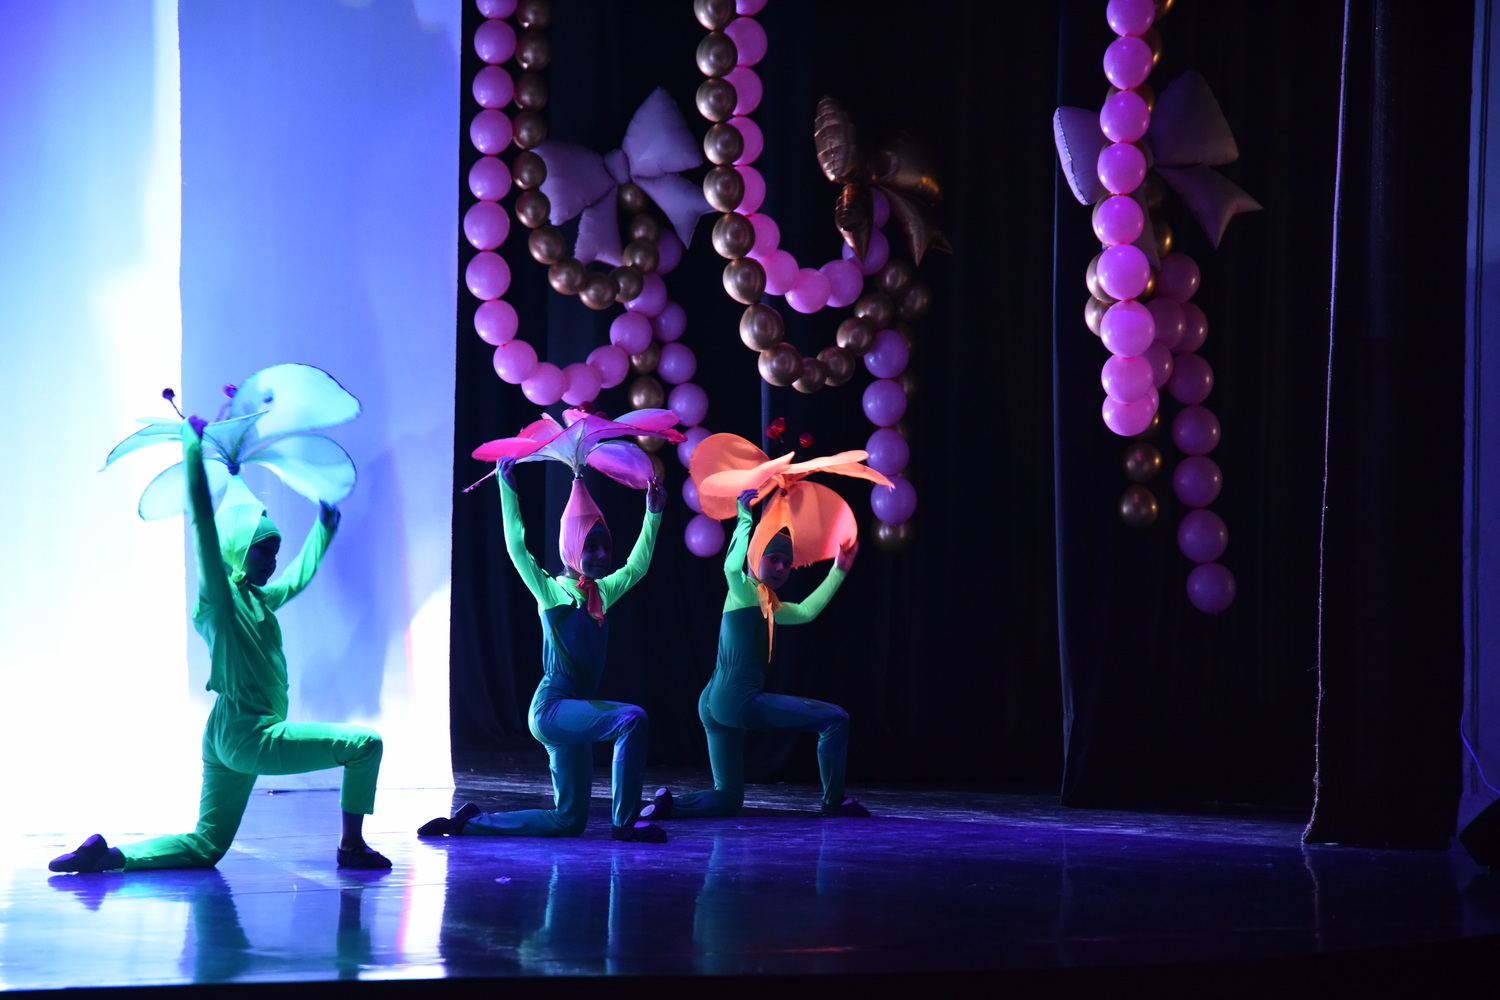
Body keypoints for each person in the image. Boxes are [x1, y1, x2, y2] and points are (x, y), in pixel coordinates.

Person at [50, 417, 389, 873]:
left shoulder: (255, 598)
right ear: (237, 546)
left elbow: (295, 580)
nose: (272, 562)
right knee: (364, 745)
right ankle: (351, 847)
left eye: (274, 552)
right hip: (252, 734)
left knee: (207, 844)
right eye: (263, 550)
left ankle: (108, 857)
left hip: (226, 731)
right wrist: (192, 449)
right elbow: (205, 531)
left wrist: (323, 528)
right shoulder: (220, 600)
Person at [420, 457, 668, 842]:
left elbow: (637, 567)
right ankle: (625, 822)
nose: (602, 556)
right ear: (571, 547)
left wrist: (653, 513)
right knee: (631, 719)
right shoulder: (552, 592)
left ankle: (468, 823)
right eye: (591, 546)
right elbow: (518, 549)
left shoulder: (602, 593)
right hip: (552, 710)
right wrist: (508, 490)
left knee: (568, 820)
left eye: (606, 546)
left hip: (574, 712)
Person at [643, 488, 869, 822]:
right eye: (773, 558)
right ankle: (833, 800)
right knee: (835, 719)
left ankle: (667, 805)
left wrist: (839, 570)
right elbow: (731, 567)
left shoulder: (768, 605)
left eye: (787, 563)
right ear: (756, 555)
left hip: (713, 703)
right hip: (737, 701)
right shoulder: (744, 592)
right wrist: (744, 517)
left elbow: (806, 611)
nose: (781, 568)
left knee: (728, 798)